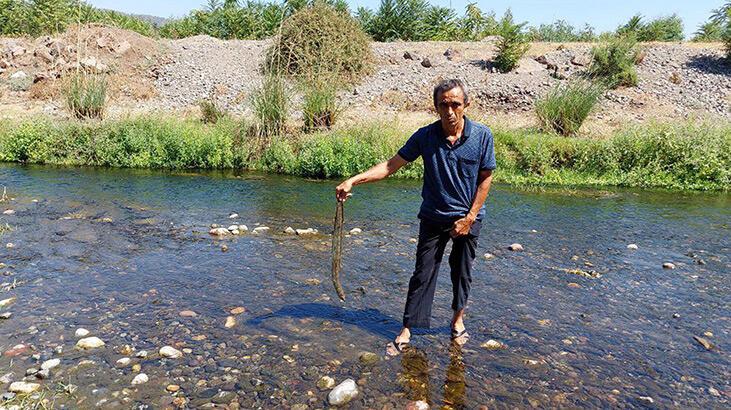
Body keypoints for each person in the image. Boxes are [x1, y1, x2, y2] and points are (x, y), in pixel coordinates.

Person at [335, 79, 496, 356]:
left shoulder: (482, 136)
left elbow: (486, 178)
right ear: (435, 107)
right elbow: (390, 166)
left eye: (455, 104)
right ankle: (407, 329)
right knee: (422, 274)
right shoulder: (425, 136)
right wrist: (353, 180)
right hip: (433, 216)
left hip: (468, 219)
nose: (449, 111)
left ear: (466, 105)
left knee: (462, 273)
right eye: (443, 104)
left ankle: (457, 320)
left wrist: (469, 218)